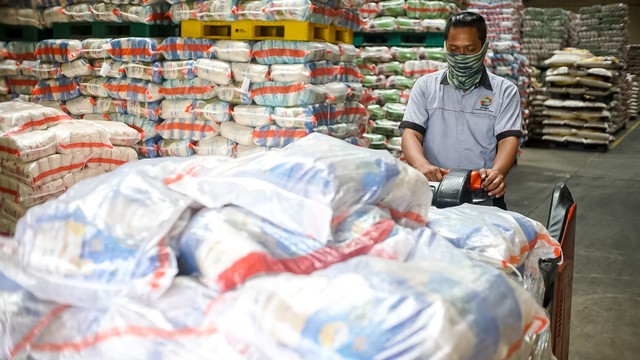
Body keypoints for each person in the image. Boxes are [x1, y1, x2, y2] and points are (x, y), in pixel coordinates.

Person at [399, 11, 522, 210]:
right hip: (432, 193)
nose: (461, 56)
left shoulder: (505, 91)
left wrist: (497, 172)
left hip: (482, 195)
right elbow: (411, 133)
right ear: (445, 46)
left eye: (470, 49)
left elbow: (508, 139)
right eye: (454, 49)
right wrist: (421, 165)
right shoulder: (425, 86)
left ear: (483, 48)